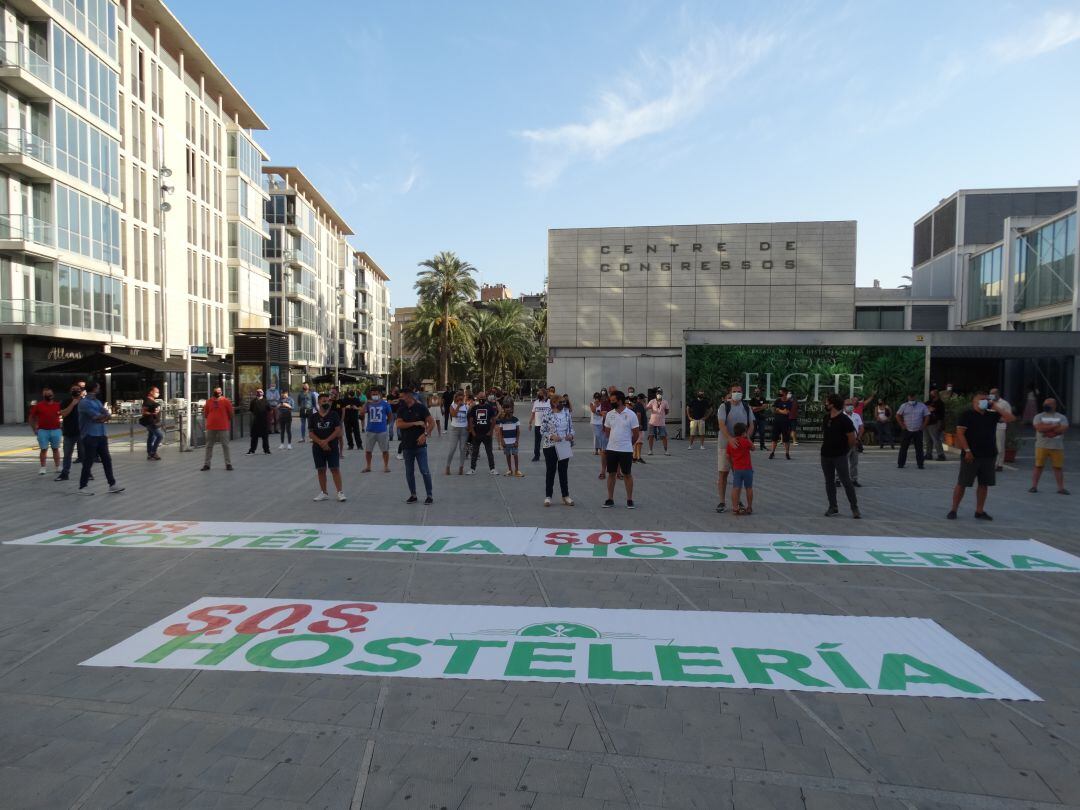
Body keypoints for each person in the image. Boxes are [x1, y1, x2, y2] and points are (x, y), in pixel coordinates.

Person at [947, 391, 1016, 520]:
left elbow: (1011, 418)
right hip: (971, 455)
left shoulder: (992, 415)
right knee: (962, 483)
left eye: (986, 399)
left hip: (988, 455)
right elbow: (960, 433)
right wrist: (967, 451)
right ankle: (953, 509)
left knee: (984, 484)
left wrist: (995, 406)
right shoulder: (966, 415)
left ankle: (979, 510)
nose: (984, 401)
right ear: (974, 402)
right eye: (981, 399)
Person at [77, 381, 124, 495]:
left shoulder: (97, 401)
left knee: (107, 460)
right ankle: (82, 487)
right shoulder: (84, 403)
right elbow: (96, 417)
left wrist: (103, 417)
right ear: (94, 389)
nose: (99, 390)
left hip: (101, 435)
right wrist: (103, 417)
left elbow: (106, 414)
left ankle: (112, 484)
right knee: (89, 461)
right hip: (90, 435)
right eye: (98, 388)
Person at [716, 384, 755, 513]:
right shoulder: (724, 407)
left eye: (739, 391)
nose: (736, 393)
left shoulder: (746, 407)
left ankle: (737, 501)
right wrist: (730, 439)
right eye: (734, 391)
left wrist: (745, 439)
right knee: (723, 473)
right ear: (730, 393)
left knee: (738, 474)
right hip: (725, 445)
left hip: (740, 448)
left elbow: (751, 425)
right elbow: (721, 424)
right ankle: (722, 502)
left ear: (742, 393)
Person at [821, 393, 860, 519]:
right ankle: (833, 507)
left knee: (846, 481)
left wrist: (844, 451)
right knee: (829, 482)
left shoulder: (845, 420)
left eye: (827, 402)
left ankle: (854, 507)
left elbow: (852, 439)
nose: (825, 404)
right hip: (825, 455)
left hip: (839, 456)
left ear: (832, 404)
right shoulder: (826, 418)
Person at [396, 388, 435, 504]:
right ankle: (413, 495)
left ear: (409, 396)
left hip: (420, 446)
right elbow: (399, 424)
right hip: (407, 446)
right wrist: (415, 423)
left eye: (402, 396)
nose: (400, 399)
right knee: (409, 472)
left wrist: (425, 434)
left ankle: (429, 495)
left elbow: (431, 423)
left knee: (425, 471)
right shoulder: (401, 409)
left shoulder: (421, 408)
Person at [602, 391, 640, 508]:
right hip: (612, 449)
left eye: (613, 400)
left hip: (626, 450)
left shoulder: (631, 414)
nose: (611, 402)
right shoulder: (609, 414)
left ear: (620, 400)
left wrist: (628, 443)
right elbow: (607, 432)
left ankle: (629, 500)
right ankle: (610, 499)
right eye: (611, 400)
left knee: (627, 474)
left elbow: (636, 434)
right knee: (611, 474)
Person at [309, 391, 346, 502]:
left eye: (328, 401)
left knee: (334, 469)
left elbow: (338, 430)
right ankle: (324, 492)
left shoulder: (334, 414)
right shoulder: (313, 417)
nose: (326, 402)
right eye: (324, 400)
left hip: (332, 446)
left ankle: (340, 492)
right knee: (321, 470)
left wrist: (326, 441)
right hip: (318, 448)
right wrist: (321, 442)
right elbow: (311, 433)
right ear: (319, 402)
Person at [540, 394, 575, 506]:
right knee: (550, 471)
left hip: (564, 445)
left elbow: (571, 428)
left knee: (563, 471)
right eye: (561, 402)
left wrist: (571, 435)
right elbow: (542, 430)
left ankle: (565, 496)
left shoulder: (567, 413)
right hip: (550, 446)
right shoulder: (547, 413)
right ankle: (548, 496)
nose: (563, 404)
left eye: (564, 402)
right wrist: (551, 436)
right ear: (554, 403)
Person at [1030, 398, 1069, 495]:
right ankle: (1034, 486)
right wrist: (1055, 426)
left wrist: (1047, 429)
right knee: (1038, 466)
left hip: (1057, 446)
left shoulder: (1062, 417)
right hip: (1041, 445)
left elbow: (1064, 428)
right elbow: (1039, 428)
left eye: (1048, 404)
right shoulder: (1038, 416)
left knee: (1058, 467)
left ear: (1054, 405)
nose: (1045, 406)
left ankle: (1061, 488)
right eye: (1045, 404)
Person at [29, 387, 62, 476]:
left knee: (56, 449)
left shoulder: (57, 405)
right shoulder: (38, 405)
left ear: (53, 395)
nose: (49, 396)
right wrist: (34, 429)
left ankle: (58, 466)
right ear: (43, 396)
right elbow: (31, 417)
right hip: (43, 430)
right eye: (46, 394)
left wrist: (62, 425)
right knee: (43, 449)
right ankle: (43, 467)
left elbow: (63, 415)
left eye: (50, 394)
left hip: (56, 430)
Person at [55, 383, 84, 481]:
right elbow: (63, 414)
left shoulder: (85, 402)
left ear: (81, 391)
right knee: (67, 455)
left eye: (78, 389)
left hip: (82, 432)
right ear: (70, 391)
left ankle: (88, 473)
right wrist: (72, 404)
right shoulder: (66, 401)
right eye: (74, 389)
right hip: (69, 432)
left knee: (84, 454)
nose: (76, 391)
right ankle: (64, 474)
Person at [201, 387, 234, 471]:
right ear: (214, 392)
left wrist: (225, 420)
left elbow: (231, 413)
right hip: (211, 426)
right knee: (209, 446)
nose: (219, 393)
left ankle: (228, 464)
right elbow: (206, 413)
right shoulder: (208, 401)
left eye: (220, 391)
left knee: (225, 445)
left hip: (223, 426)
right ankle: (207, 464)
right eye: (217, 391)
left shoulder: (226, 401)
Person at [362, 387, 394, 473]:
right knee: (368, 450)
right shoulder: (369, 404)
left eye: (376, 394)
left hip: (382, 431)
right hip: (370, 430)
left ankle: (386, 466)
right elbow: (361, 413)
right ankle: (368, 466)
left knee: (385, 450)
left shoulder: (385, 404)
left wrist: (386, 423)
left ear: (380, 394)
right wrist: (366, 403)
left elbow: (390, 415)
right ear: (370, 395)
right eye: (373, 394)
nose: (375, 395)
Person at [725, 422, 754, 515]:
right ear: (744, 432)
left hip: (737, 469)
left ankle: (735, 507)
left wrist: (732, 465)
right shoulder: (745, 441)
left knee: (736, 488)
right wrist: (748, 438)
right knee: (749, 488)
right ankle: (749, 507)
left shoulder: (731, 443)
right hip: (747, 468)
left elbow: (727, 456)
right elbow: (753, 448)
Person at [895, 392, 930, 469]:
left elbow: (927, 416)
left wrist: (923, 426)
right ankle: (901, 464)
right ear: (908, 397)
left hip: (918, 430)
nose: (911, 398)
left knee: (919, 448)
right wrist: (902, 425)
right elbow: (897, 415)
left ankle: (920, 464)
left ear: (915, 396)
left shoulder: (922, 406)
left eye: (913, 396)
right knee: (903, 448)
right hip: (907, 430)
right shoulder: (904, 406)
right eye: (910, 396)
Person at [468, 391, 499, 475]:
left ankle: (492, 469)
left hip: (487, 434)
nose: (481, 399)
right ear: (477, 398)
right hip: (477, 434)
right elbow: (470, 420)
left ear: (485, 398)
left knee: (489, 452)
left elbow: (493, 420)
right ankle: (472, 469)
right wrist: (473, 432)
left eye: (483, 397)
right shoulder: (474, 408)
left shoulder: (489, 407)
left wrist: (490, 431)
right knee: (474, 452)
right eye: (480, 398)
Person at [444, 390, 469, 475]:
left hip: (464, 430)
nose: (461, 400)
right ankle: (447, 467)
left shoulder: (466, 406)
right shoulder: (452, 406)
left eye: (462, 398)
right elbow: (454, 415)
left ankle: (461, 467)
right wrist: (458, 406)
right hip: (455, 429)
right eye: (459, 398)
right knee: (452, 449)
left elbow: (468, 418)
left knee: (462, 449)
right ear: (456, 398)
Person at [496, 404, 523, 477]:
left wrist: (517, 441)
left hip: (514, 441)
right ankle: (510, 470)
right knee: (508, 455)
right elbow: (500, 432)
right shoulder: (502, 420)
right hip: (506, 441)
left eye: (511, 412)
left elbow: (518, 431)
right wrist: (502, 441)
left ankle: (517, 470)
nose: (510, 413)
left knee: (515, 455)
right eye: (508, 411)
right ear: (505, 411)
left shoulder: (516, 419)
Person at [989, 388, 1013, 472]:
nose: (991, 395)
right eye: (990, 393)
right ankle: (992, 463)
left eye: (993, 393)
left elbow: (1009, 416)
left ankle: (999, 464)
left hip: (1000, 426)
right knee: (991, 445)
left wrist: (1000, 419)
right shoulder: (989, 403)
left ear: (997, 394)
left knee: (1000, 446)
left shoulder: (1005, 403)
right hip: (990, 427)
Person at [843, 398, 864, 487]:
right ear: (844, 406)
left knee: (854, 463)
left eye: (851, 404)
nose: (850, 406)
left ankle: (854, 479)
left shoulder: (857, 415)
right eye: (847, 404)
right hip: (844, 443)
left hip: (855, 443)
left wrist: (858, 438)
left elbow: (861, 427)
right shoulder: (841, 416)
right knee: (842, 462)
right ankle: (838, 479)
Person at [140, 385, 164, 461]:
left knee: (151, 437)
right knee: (160, 436)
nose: (158, 393)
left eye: (158, 392)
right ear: (151, 392)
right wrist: (152, 414)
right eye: (156, 392)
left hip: (153, 421)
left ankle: (150, 454)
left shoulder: (152, 400)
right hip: (150, 422)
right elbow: (143, 412)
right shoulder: (147, 400)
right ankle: (153, 452)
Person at [768, 389, 793, 460]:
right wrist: (780, 410)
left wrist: (778, 410)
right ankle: (772, 453)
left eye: (781, 393)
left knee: (786, 439)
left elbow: (786, 412)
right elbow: (773, 409)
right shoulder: (777, 400)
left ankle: (787, 453)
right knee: (774, 438)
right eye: (779, 393)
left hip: (785, 423)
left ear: (785, 393)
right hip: (776, 423)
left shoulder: (789, 402)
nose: (779, 394)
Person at [924, 388, 946, 461]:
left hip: (935, 423)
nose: (931, 395)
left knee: (936, 439)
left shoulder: (940, 403)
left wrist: (940, 423)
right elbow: (924, 407)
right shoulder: (929, 402)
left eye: (932, 394)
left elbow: (941, 414)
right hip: (927, 422)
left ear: (936, 394)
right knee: (928, 440)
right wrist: (929, 408)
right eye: (931, 394)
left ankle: (941, 454)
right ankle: (928, 454)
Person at [247, 389, 271, 454]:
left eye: (260, 392)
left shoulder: (266, 401)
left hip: (264, 421)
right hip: (256, 421)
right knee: (254, 437)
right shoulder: (253, 401)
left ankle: (266, 450)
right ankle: (252, 450)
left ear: (263, 393)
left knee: (265, 437)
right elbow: (251, 409)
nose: (259, 393)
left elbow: (269, 409)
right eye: (257, 392)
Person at [646, 390, 670, 455]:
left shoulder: (665, 402)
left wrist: (661, 414)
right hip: (652, 422)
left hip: (661, 422)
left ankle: (666, 451)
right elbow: (646, 408)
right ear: (656, 394)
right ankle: (650, 450)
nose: (659, 394)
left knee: (664, 436)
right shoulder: (652, 401)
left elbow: (667, 411)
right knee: (651, 436)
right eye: (658, 393)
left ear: (662, 394)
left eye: (660, 393)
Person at [529, 388, 550, 462]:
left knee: (549, 441)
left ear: (544, 394)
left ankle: (548, 456)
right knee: (537, 441)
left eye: (540, 393)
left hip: (548, 425)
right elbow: (533, 413)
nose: (538, 395)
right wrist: (530, 422)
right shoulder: (536, 402)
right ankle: (536, 456)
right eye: (538, 393)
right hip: (538, 425)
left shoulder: (549, 402)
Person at [631, 393, 648, 463]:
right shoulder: (639, 405)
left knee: (637, 442)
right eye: (644, 399)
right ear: (641, 399)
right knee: (640, 442)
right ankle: (638, 457)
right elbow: (638, 414)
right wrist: (639, 424)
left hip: (636, 426)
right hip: (639, 427)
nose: (645, 400)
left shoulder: (637, 405)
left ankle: (634, 457)